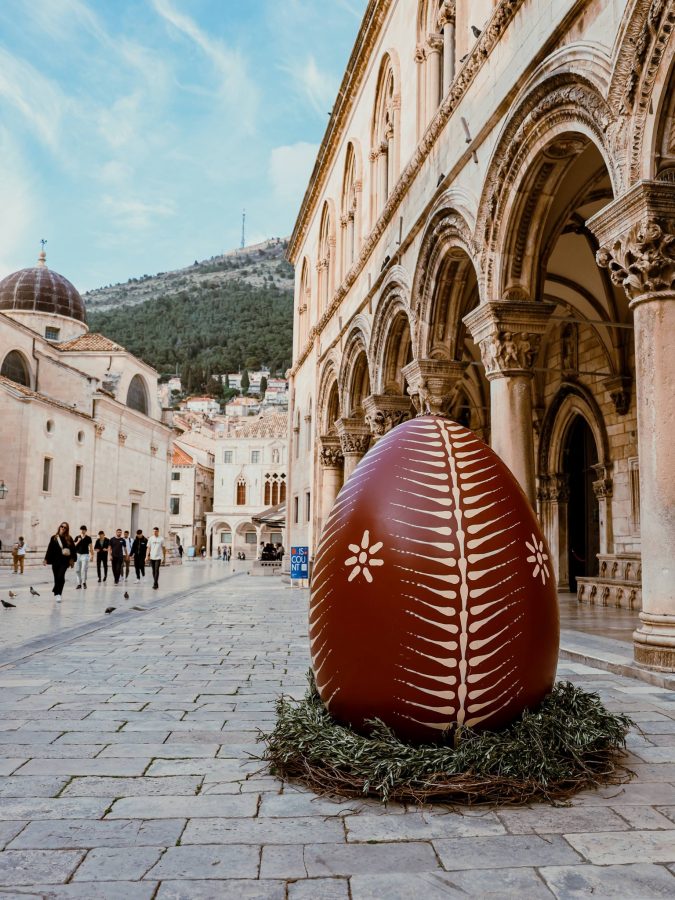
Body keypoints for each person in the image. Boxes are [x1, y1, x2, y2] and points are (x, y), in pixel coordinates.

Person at [44, 521, 75, 603]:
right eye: (62, 526)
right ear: (59, 527)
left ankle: (58, 594)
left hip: (65, 561)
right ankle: (57, 591)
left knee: (60, 576)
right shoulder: (54, 537)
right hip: (55, 561)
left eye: (65, 527)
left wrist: (72, 559)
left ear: (67, 529)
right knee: (57, 577)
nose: (63, 528)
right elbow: (49, 549)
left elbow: (73, 549)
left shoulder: (69, 538)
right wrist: (46, 559)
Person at [73, 525, 93, 589]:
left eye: (83, 529)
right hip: (78, 555)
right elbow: (73, 547)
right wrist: (78, 541)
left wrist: (92, 555)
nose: (82, 530)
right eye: (81, 529)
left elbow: (90, 547)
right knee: (77, 570)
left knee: (83, 569)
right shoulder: (77, 537)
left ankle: (84, 582)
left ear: (85, 530)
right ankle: (79, 583)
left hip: (85, 555)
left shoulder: (88, 538)